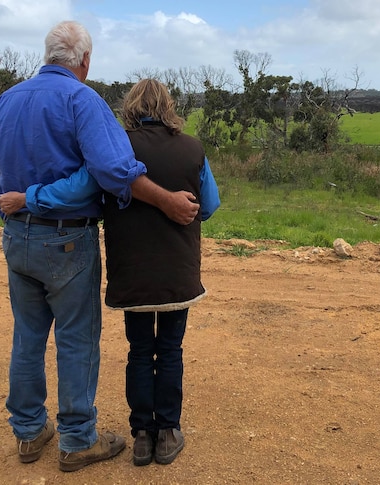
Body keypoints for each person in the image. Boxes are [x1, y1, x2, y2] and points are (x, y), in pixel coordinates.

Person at [0, 21, 199, 473]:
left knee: (27, 336)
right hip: (66, 237)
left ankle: (28, 432)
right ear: (84, 60)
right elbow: (112, 172)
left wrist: (19, 214)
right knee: (76, 340)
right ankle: (77, 439)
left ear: (47, 55)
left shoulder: (6, 101)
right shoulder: (81, 99)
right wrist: (166, 201)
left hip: (16, 235)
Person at [105, 79, 220, 466]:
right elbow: (209, 205)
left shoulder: (117, 147)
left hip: (131, 269)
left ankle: (142, 436)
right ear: (168, 106)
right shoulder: (192, 148)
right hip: (177, 270)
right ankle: (168, 431)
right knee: (169, 349)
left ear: (132, 105)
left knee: (139, 350)